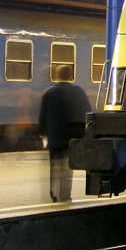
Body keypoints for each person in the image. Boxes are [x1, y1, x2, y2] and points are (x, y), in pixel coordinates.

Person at [38, 64, 91, 202]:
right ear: (70, 76)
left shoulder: (49, 92)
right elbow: (87, 113)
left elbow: (42, 115)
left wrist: (42, 132)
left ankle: (54, 193)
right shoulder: (78, 91)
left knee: (55, 166)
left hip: (55, 138)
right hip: (71, 138)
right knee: (68, 168)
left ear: (56, 76)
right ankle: (65, 195)